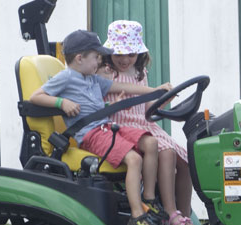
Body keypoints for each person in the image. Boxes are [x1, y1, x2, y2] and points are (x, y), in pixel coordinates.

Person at [29, 29, 171, 225]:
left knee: (151, 142)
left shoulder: (92, 79)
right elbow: (35, 97)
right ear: (80, 58)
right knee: (134, 159)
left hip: (107, 127)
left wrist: (156, 91)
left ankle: (149, 199)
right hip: (92, 134)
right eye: (96, 57)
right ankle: (138, 215)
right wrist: (61, 103)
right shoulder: (67, 77)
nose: (99, 62)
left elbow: (125, 89)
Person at [99, 20, 193, 225]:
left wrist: (165, 97)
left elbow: (148, 107)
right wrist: (156, 91)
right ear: (109, 52)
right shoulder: (105, 72)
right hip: (120, 126)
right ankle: (169, 213)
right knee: (166, 153)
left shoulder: (140, 72)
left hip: (144, 124)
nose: (125, 60)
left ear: (139, 54)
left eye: (130, 54)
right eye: (119, 54)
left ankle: (184, 213)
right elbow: (123, 94)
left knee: (186, 161)